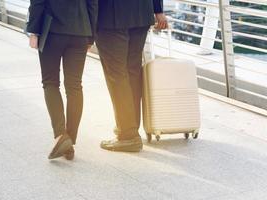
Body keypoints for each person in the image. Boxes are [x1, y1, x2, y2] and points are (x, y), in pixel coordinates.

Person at [27, 0, 98, 160]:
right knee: (74, 86)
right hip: (81, 31)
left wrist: (33, 31)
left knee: (50, 82)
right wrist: (91, 36)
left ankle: (61, 136)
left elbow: (38, 2)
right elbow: (93, 4)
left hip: (52, 30)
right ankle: (69, 140)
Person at [96, 0, 168, 152]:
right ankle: (130, 129)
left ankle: (127, 135)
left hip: (110, 15)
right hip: (141, 13)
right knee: (132, 72)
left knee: (116, 75)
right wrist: (158, 10)